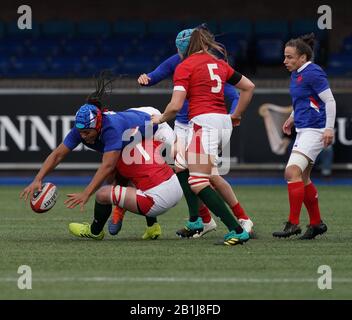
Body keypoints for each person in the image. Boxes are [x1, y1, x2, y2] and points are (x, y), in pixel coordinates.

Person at [20, 73, 179, 240]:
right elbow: (58, 155)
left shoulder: (112, 130)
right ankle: (148, 224)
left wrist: (86, 193)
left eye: (87, 132)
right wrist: (38, 178)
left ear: (98, 125)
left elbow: (107, 166)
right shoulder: (82, 130)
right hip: (135, 125)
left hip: (156, 128)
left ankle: (119, 216)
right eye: (80, 132)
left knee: (157, 173)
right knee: (116, 175)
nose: (83, 137)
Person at [137, 27, 254, 238]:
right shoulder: (218, 64)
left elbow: (175, 106)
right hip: (220, 123)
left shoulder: (186, 66)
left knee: (201, 181)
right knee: (181, 165)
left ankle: (238, 227)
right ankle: (200, 221)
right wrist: (236, 115)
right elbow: (249, 87)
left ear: (183, 49)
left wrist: (161, 118)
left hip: (203, 125)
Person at [272, 33, 336, 240]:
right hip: (304, 129)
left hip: (315, 130)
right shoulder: (297, 73)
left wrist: (329, 128)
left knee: (291, 172)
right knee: (303, 178)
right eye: (285, 56)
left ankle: (293, 223)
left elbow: (330, 101)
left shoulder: (313, 72)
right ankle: (316, 223)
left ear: (303, 58)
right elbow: (304, 100)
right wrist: (291, 117)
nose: (285, 61)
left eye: (290, 57)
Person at [69, 137, 183, 240]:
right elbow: (172, 152)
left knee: (102, 194)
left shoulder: (115, 155)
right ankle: (152, 227)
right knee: (141, 183)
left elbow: (110, 182)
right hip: (177, 187)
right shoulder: (148, 140)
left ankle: (95, 231)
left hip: (156, 200)